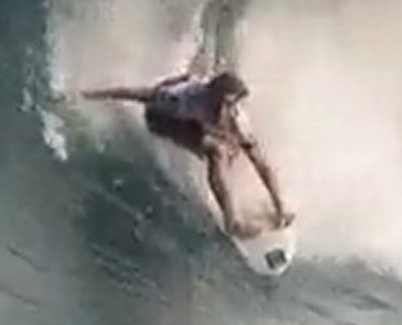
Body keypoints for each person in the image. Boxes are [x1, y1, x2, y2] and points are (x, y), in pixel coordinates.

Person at [81, 69, 293, 239]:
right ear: (214, 99)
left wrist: (280, 206)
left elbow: (261, 163)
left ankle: (272, 203)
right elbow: (138, 94)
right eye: (227, 104)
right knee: (216, 151)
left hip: (197, 119)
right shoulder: (182, 101)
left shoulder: (237, 119)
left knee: (242, 147)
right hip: (163, 120)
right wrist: (94, 95)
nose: (232, 109)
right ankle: (232, 222)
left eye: (234, 104)